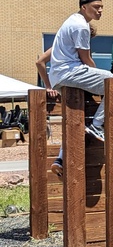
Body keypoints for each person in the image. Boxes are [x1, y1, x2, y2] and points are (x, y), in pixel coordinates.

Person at [36, 20, 100, 177]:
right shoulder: (61, 46)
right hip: (72, 90)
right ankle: (63, 160)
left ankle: (61, 160)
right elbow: (40, 62)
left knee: (75, 126)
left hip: (79, 91)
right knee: (76, 125)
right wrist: (49, 86)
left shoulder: (79, 48)